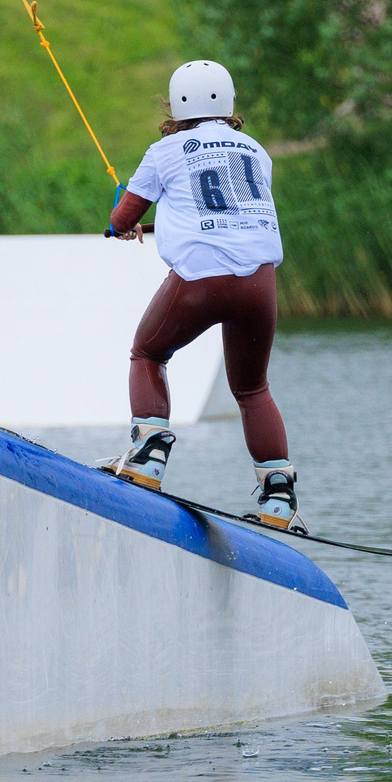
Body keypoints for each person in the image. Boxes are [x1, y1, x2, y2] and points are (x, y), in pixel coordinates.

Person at [101, 59, 302, 531]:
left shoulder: (165, 149)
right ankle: (279, 498)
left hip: (200, 281)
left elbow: (121, 219)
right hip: (259, 284)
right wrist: (153, 225)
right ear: (229, 102)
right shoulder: (256, 151)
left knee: (147, 353)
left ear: (177, 105)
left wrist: (120, 225)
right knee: (252, 389)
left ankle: (148, 457)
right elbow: (226, 210)